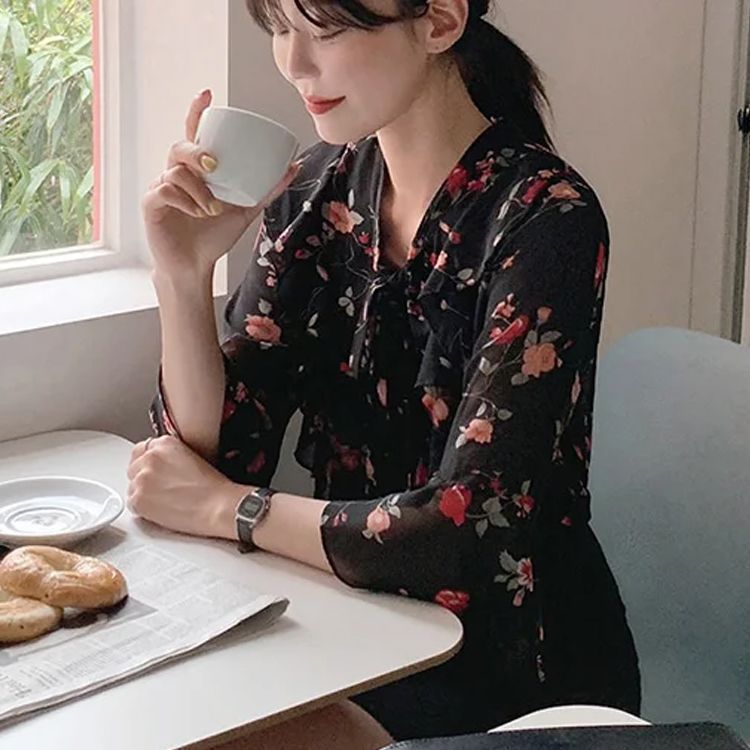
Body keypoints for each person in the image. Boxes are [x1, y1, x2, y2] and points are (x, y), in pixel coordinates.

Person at [126, 0, 641, 746]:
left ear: (439, 21)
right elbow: (214, 454)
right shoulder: (315, 190)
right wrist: (181, 275)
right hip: (357, 622)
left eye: (326, 30)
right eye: (280, 28)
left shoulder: (546, 219)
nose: (294, 64)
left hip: (510, 664)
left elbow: (463, 529)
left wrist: (229, 510)